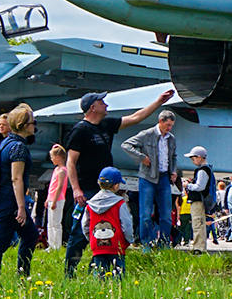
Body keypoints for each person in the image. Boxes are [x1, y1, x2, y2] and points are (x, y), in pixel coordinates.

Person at [65, 89, 174, 278]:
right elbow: (71, 162)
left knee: (108, 230)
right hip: (88, 189)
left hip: (107, 189)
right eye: (102, 102)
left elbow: (135, 118)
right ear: (93, 107)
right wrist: (76, 189)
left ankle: (100, 268)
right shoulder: (80, 130)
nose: (106, 104)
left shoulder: (106, 124)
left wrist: (159, 102)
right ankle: (70, 273)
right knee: (79, 233)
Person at [0, 105, 39, 277]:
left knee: (30, 235)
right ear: (23, 125)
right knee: (0, 241)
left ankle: (22, 273)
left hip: (4, 198)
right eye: (32, 122)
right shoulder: (18, 148)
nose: (34, 126)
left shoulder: (6, 142)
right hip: (11, 200)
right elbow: (16, 178)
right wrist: (21, 207)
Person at [121, 110, 180, 249]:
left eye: (171, 125)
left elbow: (174, 156)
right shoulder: (147, 135)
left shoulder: (171, 138)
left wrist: (174, 170)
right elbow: (126, 145)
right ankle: (145, 244)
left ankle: (164, 243)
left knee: (166, 215)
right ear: (160, 121)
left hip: (164, 178)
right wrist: (141, 157)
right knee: (145, 214)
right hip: (147, 178)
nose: (169, 128)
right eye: (167, 125)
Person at [84, 166, 134, 279]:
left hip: (97, 245)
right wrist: (129, 239)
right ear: (116, 186)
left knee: (99, 274)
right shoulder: (119, 204)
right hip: (117, 245)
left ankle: (100, 291)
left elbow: (85, 225)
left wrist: (91, 238)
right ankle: (118, 293)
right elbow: (126, 224)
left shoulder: (90, 205)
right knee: (119, 275)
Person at [183, 147, 216, 253]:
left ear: (199, 157)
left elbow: (200, 186)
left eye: (193, 159)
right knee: (199, 223)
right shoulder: (207, 169)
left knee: (197, 223)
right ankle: (199, 246)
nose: (192, 161)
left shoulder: (202, 170)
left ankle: (199, 248)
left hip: (198, 201)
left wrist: (188, 185)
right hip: (201, 201)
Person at [44, 145, 71, 249]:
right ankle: (51, 244)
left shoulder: (62, 171)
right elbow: (52, 186)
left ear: (58, 157)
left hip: (58, 199)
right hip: (52, 198)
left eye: (52, 156)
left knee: (56, 223)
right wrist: (48, 198)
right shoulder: (56, 170)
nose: (51, 159)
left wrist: (54, 201)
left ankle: (57, 245)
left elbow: (59, 187)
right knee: (50, 223)